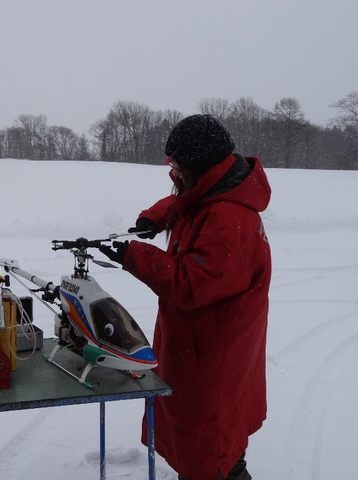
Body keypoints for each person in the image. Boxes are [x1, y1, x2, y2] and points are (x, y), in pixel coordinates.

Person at [99, 114, 272, 480]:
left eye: (176, 165)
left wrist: (135, 256)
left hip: (214, 353)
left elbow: (192, 284)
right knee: (211, 446)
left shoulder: (229, 220)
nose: (172, 173)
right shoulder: (220, 188)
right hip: (205, 344)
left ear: (199, 166)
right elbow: (187, 199)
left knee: (209, 450)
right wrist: (155, 218)